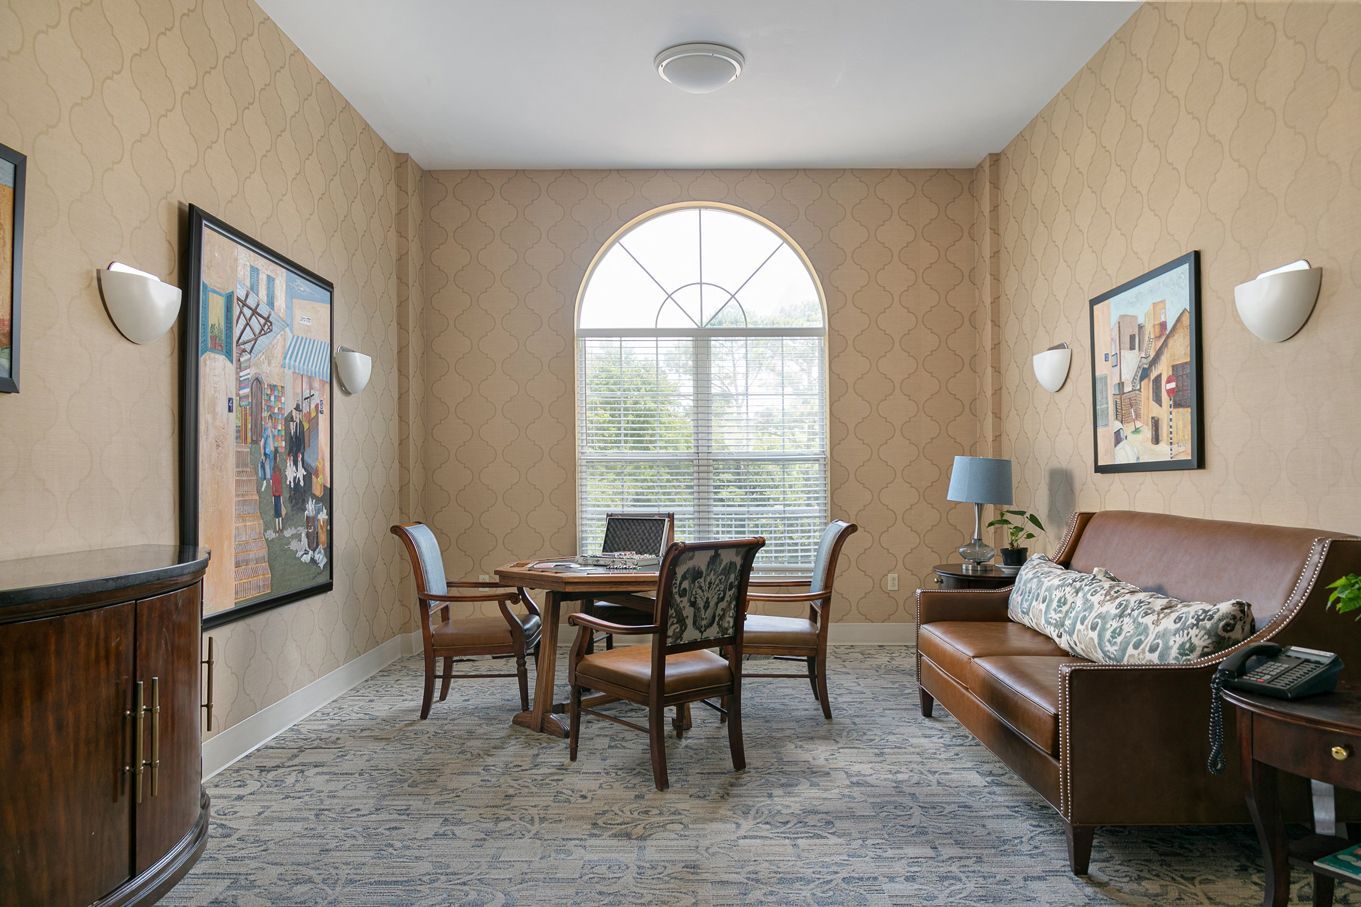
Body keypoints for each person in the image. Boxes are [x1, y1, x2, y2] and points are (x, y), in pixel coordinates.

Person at [271, 460, 284, 532]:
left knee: (276, 513)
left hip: (275, 496)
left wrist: (272, 497)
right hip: (279, 496)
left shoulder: (273, 476)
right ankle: (281, 527)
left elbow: (273, 487)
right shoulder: (279, 476)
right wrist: (281, 499)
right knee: (279, 512)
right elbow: (280, 488)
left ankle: (277, 528)